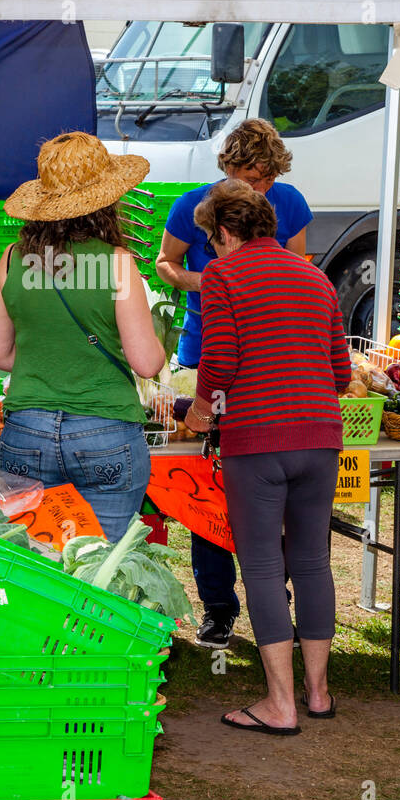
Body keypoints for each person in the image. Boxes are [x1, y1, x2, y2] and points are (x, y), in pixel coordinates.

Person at [182, 178, 350, 733]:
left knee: (260, 565)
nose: (213, 249)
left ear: (226, 232)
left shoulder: (223, 275)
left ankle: (280, 705)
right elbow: (342, 371)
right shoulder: (317, 277)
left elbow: (220, 357)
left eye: (212, 239)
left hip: (257, 438)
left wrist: (201, 411)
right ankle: (318, 693)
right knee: (312, 563)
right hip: (321, 435)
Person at [157, 118, 314, 650]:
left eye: (268, 178)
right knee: (210, 486)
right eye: (252, 176)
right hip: (208, 353)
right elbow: (164, 263)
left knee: (269, 491)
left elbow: (302, 271)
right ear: (227, 168)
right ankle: (219, 609)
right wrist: (211, 282)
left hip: (272, 361)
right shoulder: (191, 206)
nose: (260, 189)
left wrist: (245, 279)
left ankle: (276, 602)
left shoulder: (289, 202)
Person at [0, 132, 166, 542]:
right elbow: (147, 363)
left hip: (26, 430)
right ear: (107, 201)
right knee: (100, 574)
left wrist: (46, 359)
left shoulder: (12, 259)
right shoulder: (117, 263)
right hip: (107, 432)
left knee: (31, 567)